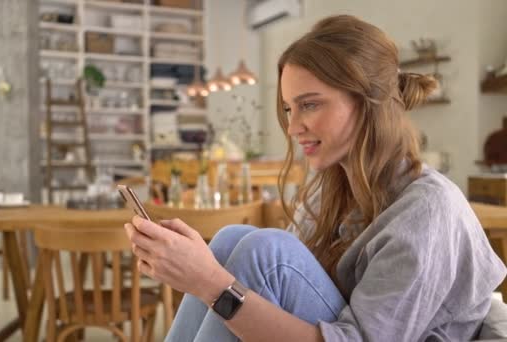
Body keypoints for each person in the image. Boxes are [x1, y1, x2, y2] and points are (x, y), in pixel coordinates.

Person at [124, 15, 506, 341]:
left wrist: (208, 282)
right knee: (230, 240)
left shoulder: (427, 209)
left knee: (265, 253)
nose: (292, 127)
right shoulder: (333, 189)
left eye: (309, 104)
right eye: (289, 109)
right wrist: (195, 271)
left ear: (367, 100)